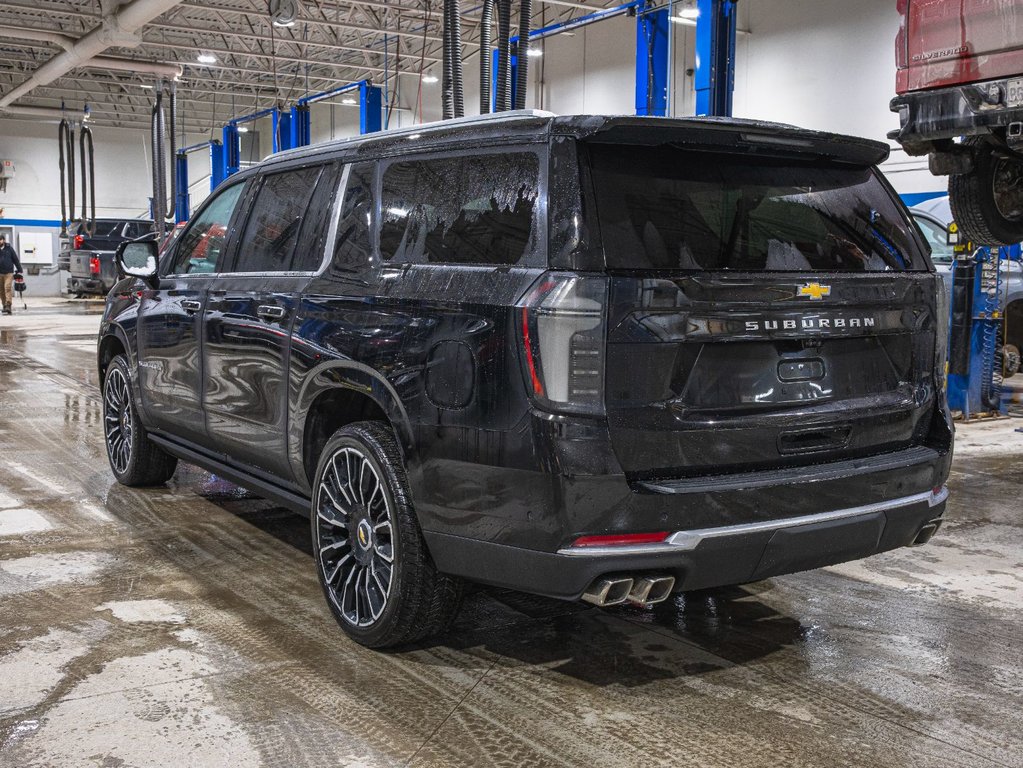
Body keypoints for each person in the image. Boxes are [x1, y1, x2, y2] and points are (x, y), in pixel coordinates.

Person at [0, 234, 22, 315]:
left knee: (7, 288)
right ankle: (4, 305)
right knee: (1, 290)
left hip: (9, 273)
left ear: (3, 240)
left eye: (0, 240)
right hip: (0, 273)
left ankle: (8, 305)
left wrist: (20, 269)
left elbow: (15, 259)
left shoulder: (9, 249)